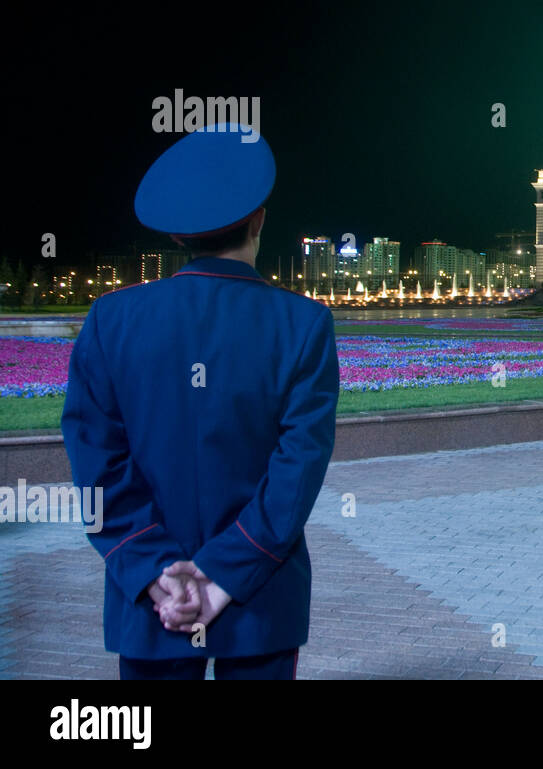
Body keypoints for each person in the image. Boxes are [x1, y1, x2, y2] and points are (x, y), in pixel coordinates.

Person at [61, 122, 339, 680]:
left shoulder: (111, 321)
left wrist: (155, 571)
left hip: (152, 602)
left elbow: (97, 468)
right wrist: (221, 576)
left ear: (177, 235)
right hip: (259, 599)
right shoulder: (303, 324)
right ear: (260, 217)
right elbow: (296, 472)